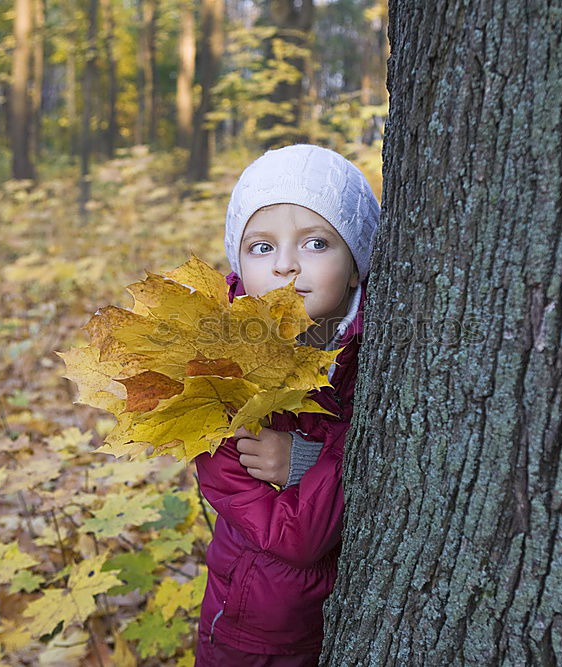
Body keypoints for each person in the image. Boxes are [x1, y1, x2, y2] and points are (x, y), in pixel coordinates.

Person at [193, 144, 379, 666]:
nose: (286, 266)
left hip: (347, 623)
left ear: (356, 262)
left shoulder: (376, 348)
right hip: (250, 633)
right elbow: (297, 539)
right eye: (261, 247)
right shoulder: (216, 368)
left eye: (316, 242)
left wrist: (306, 460)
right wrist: (337, 456)